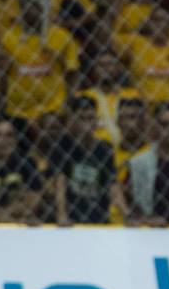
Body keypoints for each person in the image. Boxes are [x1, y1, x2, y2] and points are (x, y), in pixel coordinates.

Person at [51, 96, 126, 225]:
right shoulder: (62, 145)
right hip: (71, 216)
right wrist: (61, 215)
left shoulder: (105, 147)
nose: (86, 123)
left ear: (96, 121)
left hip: (98, 214)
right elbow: (60, 182)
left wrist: (126, 212)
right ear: (73, 120)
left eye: (90, 118)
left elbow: (113, 184)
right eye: (81, 118)